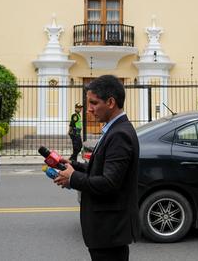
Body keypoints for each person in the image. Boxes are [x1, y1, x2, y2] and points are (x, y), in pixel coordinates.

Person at [54, 75, 140, 261]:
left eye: (94, 103)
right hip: (106, 233)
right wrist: (73, 166)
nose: (89, 110)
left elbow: (109, 183)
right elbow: (101, 169)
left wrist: (73, 178)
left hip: (110, 232)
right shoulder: (113, 129)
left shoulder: (120, 134)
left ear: (110, 102)